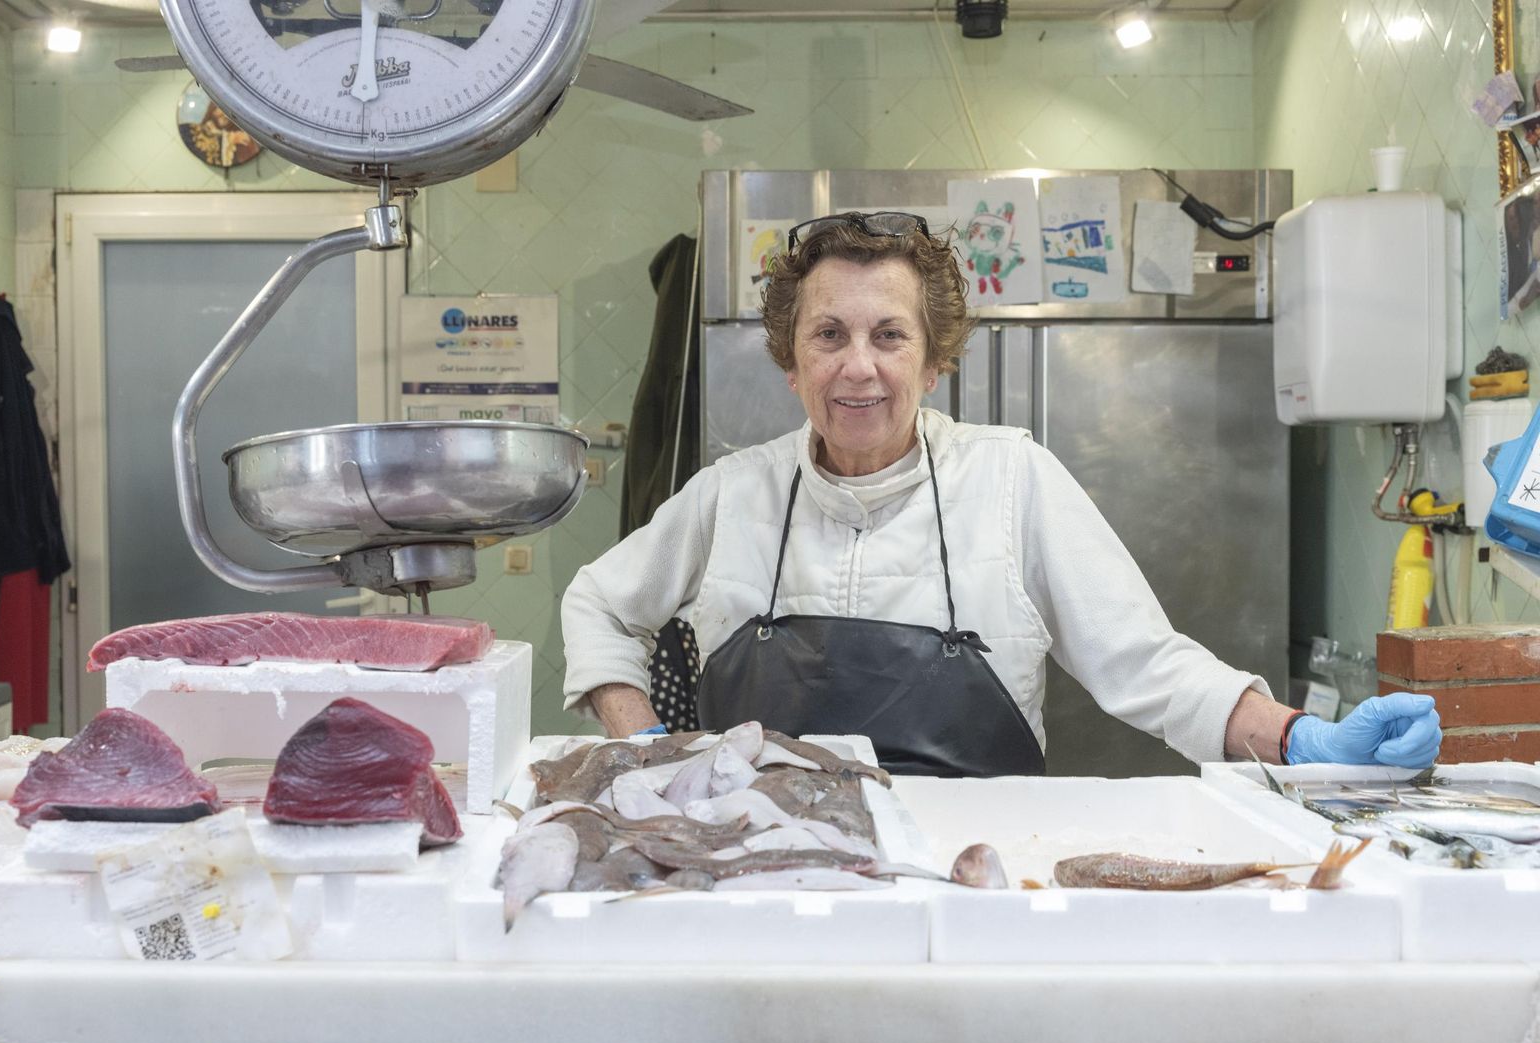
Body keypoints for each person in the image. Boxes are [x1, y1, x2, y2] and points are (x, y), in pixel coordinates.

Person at [561, 212, 1441, 776]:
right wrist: (645, 748)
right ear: (792, 366)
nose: (857, 365)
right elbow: (598, 601)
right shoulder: (733, 496)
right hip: (760, 865)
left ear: (935, 364)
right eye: (827, 335)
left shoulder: (1011, 478)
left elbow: (1146, 662)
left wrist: (1296, 737)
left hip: (976, 872)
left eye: (889, 336)